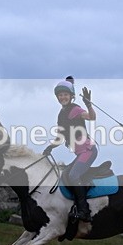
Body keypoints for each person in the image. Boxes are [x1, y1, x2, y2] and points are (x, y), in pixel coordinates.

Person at [42, 76, 97, 228]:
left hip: (88, 150)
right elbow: (60, 136)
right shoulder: (61, 114)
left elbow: (91, 117)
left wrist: (88, 104)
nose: (63, 97)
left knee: (73, 175)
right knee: (65, 174)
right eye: (60, 95)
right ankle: (74, 207)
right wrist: (50, 147)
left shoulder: (75, 109)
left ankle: (84, 212)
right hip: (80, 153)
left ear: (71, 96)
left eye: (65, 94)